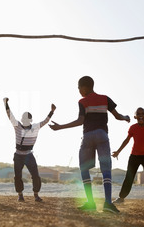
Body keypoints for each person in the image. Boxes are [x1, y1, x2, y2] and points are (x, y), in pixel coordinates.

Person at [49, 76, 130, 214]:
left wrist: (60, 127)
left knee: (84, 168)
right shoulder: (105, 98)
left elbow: (80, 121)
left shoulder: (83, 101)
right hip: (102, 136)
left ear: (85, 88)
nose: (79, 90)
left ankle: (91, 203)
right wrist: (125, 117)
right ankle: (108, 204)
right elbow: (117, 116)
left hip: (88, 137)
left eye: (79, 88)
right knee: (106, 170)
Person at [4, 97, 56, 202]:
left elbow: (45, 121)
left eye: (27, 119)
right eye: (23, 119)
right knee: (17, 176)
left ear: (31, 120)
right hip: (18, 155)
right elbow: (10, 115)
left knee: (35, 176)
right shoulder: (17, 126)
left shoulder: (35, 127)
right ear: (22, 120)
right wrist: (5, 103)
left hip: (29, 155)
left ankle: (36, 195)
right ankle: (20, 195)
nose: (25, 120)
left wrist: (52, 112)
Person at [111, 107, 144, 207]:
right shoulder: (133, 128)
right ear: (135, 117)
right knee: (129, 177)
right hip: (134, 156)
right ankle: (121, 198)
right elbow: (127, 140)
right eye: (138, 114)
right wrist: (118, 151)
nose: (141, 115)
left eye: (142, 113)